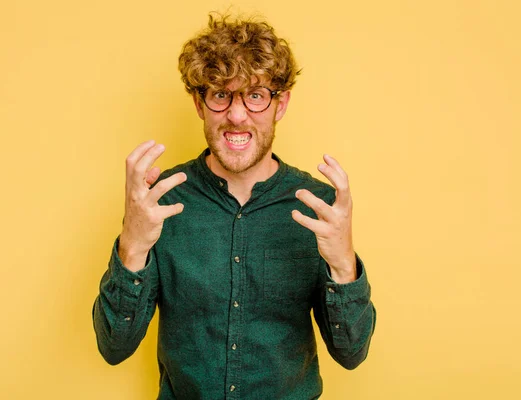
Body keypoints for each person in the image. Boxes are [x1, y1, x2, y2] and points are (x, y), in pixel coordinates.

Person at [92, 13, 376, 399]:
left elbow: (352, 353)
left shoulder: (320, 209)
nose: (237, 115)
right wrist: (132, 246)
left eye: (256, 95)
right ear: (199, 103)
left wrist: (343, 264)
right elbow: (113, 347)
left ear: (281, 104)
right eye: (221, 95)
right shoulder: (159, 203)